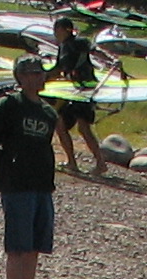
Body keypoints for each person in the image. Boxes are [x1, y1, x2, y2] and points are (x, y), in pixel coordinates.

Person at [0, 55, 61, 279]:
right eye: (33, 73)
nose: (40, 77)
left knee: (34, 246)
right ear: (21, 77)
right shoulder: (8, 105)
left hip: (42, 185)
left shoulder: (48, 112)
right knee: (18, 246)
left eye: (41, 72)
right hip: (16, 184)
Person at [47, 13, 100, 176]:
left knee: (83, 127)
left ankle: (100, 163)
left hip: (84, 90)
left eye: (57, 30)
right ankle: (72, 162)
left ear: (65, 30)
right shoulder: (66, 46)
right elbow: (60, 68)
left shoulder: (76, 44)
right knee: (60, 124)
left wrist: (43, 77)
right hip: (75, 91)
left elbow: (94, 50)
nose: (55, 33)